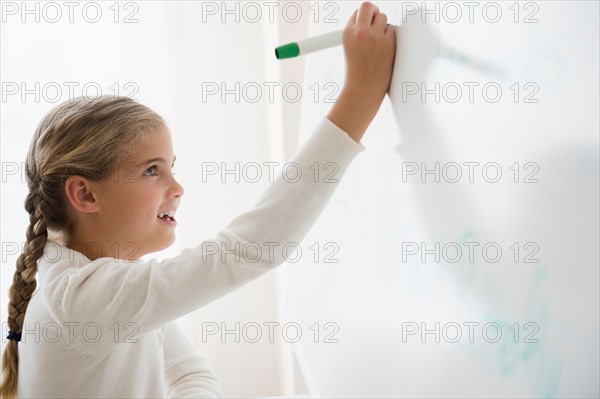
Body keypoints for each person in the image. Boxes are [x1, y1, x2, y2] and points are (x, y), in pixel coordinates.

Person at [0, 2, 395, 397]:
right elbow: (249, 251)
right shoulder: (81, 299)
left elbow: (190, 374)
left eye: (172, 167)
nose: (178, 187)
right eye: (152, 170)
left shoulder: (98, 283)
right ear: (85, 194)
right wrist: (358, 98)